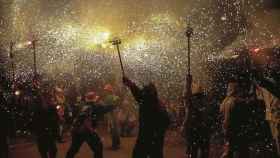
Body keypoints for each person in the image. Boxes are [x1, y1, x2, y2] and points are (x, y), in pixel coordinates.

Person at [123, 76, 170, 158]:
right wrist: (130, 84)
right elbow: (138, 94)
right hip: (153, 139)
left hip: (148, 138)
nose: (143, 93)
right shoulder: (155, 103)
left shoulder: (148, 102)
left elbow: (138, 94)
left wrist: (130, 84)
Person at [65, 91, 116, 158]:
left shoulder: (81, 105)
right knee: (98, 147)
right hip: (87, 130)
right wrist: (115, 102)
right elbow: (109, 107)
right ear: (94, 98)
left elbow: (72, 116)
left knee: (74, 149)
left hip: (77, 130)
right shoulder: (96, 106)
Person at [183, 75, 211, 158]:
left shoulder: (192, 102)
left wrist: (188, 83)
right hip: (204, 131)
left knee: (193, 151)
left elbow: (187, 99)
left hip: (194, 131)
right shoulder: (206, 102)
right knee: (204, 152)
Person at [32, 83, 60, 158]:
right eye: (46, 97)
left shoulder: (51, 107)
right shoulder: (38, 108)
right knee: (43, 150)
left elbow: (56, 118)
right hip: (42, 131)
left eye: (49, 97)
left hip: (49, 131)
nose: (49, 99)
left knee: (53, 150)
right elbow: (35, 119)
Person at [103, 84, 121, 150]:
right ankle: (117, 143)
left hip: (111, 115)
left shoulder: (108, 97)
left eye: (106, 90)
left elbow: (105, 107)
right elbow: (118, 104)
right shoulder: (116, 96)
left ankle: (114, 145)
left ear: (108, 91)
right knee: (116, 129)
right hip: (116, 114)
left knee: (112, 130)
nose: (105, 91)